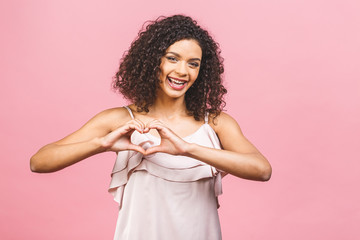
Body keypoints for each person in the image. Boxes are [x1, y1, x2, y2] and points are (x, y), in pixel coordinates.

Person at [30, 15, 272, 240]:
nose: (182, 71)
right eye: (172, 58)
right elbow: (39, 162)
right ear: (152, 59)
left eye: (193, 63)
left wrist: (187, 149)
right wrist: (101, 144)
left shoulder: (216, 123)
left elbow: (262, 170)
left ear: (202, 71)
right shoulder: (120, 120)